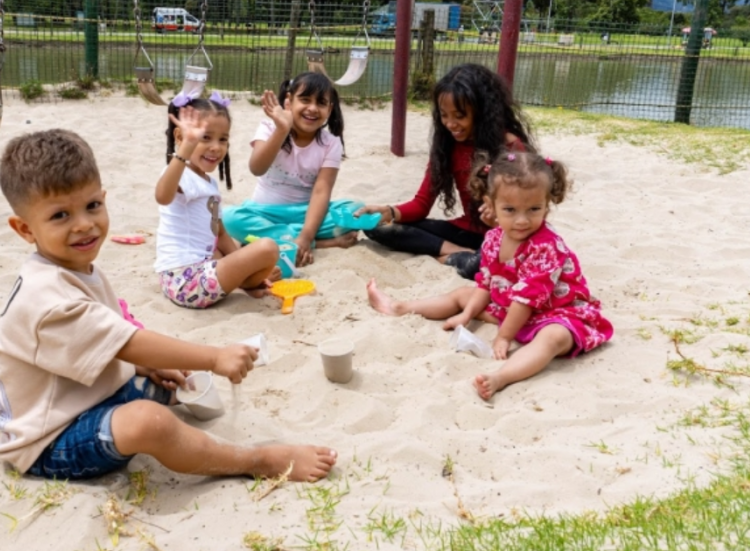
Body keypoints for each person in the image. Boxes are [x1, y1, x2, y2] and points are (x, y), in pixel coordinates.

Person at [0, 128, 337, 481]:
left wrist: (142, 366)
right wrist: (215, 357)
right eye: (60, 215)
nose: (84, 225)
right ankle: (255, 461)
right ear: (25, 229)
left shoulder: (72, 267)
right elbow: (128, 343)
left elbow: (107, 340)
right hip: (51, 439)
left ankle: (160, 399)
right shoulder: (48, 298)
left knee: (172, 379)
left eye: (92, 205)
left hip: (82, 393)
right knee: (149, 423)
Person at [366, 151, 612, 401]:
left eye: (534, 209)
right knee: (464, 294)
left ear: (547, 205)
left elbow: (526, 300)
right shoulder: (494, 238)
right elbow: (486, 283)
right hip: (515, 309)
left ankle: (501, 378)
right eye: (510, 210)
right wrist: (467, 314)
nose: (522, 220)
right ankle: (400, 307)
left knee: (554, 338)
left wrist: (504, 337)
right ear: (491, 205)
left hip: (556, 312)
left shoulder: (546, 246)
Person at [356, 63, 535, 280]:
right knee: (377, 227)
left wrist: (498, 220)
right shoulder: (446, 145)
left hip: (506, 236)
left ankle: (462, 258)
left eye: (459, 116)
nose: (451, 124)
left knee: (484, 266)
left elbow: (529, 213)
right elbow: (421, 205)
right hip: (466, 232)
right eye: (444, 115)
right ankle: (455, 253)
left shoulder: (511, 148)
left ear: (481, 111)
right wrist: (389, 211)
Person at [154, 91, 282, 309]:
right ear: (179, 137)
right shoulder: (180, 174)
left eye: (223, 139)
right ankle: (244, 281)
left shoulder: (209, 184)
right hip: (184, 280)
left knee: (238, 252)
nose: (216, 147)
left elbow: (220, 233)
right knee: (268, 248)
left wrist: (244, 263)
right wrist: (186, 148)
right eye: (205, 137)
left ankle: (246, 282)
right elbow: (162, 196)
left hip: (201, 270)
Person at [221, 72, 362, 269]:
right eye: (305, 100)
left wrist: (306, 234)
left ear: (329, 109)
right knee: (227, 218)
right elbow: (257, 168)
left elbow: (322, 191)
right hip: (264, 213)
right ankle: (320, 243)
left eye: (321, 103)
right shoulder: (269, 128)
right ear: (289, 102)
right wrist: (281, 130)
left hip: (307, 214)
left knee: (356, 210)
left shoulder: (331, 143)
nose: (312, 108)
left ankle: (274, 240)